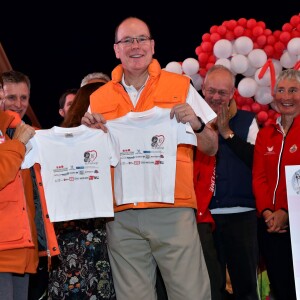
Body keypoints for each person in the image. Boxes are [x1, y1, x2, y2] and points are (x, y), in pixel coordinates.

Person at [81, 17, 218, 300]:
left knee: (190, 294)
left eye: (141, 39)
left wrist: (197, 124)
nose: (135, 46)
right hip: (121, 214)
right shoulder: (99, 98)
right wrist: (88, 137)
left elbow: (212, 147)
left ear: (152, 46)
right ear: (116, 49)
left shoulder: (180, 86)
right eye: (127, 41)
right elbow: (90, 161)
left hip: (173, 207)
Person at [194, 64, 260, 300]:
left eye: (223, 92)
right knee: (211, 287)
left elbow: (259, 161)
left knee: (246, 287)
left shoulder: (247, 121)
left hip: (242, 214)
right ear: (203, 89)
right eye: (211, 90)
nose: (216, 97)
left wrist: (227, 133)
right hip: (203, 217)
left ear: (233, 93)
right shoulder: (191, 122)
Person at [48, 81, 117, 300]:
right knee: (96, 284)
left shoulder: (100, 136)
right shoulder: (57, 139)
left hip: (70, 227)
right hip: (90, 227)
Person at [0, 70, 59, 300]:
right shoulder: (19, 138)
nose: (17, 104)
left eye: (23, 98)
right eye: (11, 97)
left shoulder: (31, 134)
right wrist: (18, 144)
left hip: (23, 248)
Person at [253, 68, 299, 300]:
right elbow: (259, 178)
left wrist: (287, 212)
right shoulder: (265, 134)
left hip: (296, 222)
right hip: (271, 225)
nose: (286, 96)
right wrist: (268, 212)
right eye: (281, 90)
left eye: (293, 90)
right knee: (280, 289)